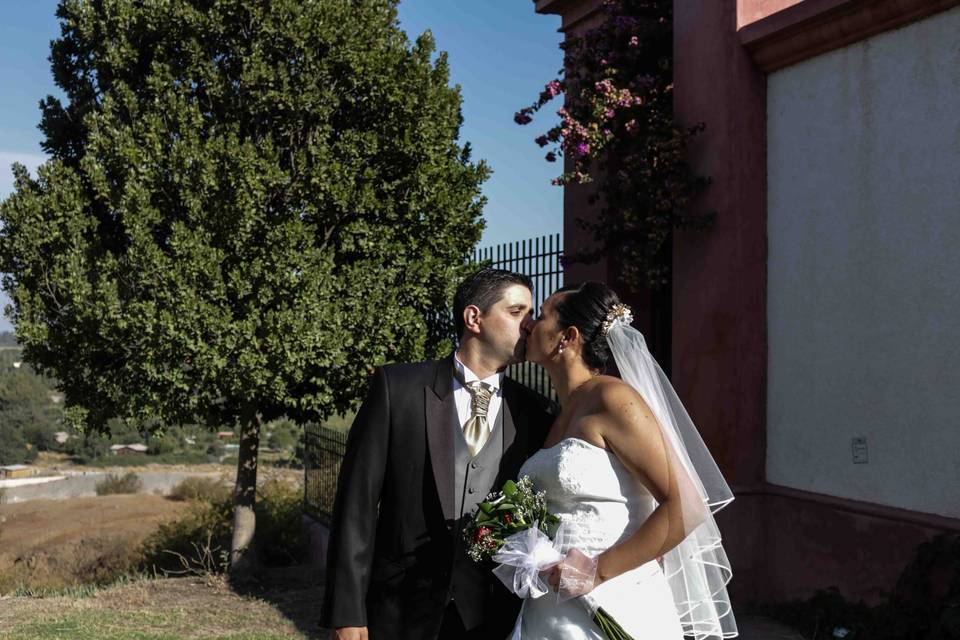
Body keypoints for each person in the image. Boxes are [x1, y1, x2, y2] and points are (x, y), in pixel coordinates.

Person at [321, 267, 556, 640]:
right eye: (516, 312)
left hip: (492, 613)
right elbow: (356, 506)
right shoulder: (397, 388)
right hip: (399, 608)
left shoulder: (536, 411)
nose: (529, 325)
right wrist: (347, 612)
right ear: (473, 318)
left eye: (531, 314)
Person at [516, 281, 738, 639]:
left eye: (540, 317)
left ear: (567, 337)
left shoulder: (613, 398)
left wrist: (597, 571)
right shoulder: (559, 413)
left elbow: (687, 507)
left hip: (611, 600)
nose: (529, 325)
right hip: (550, 609)